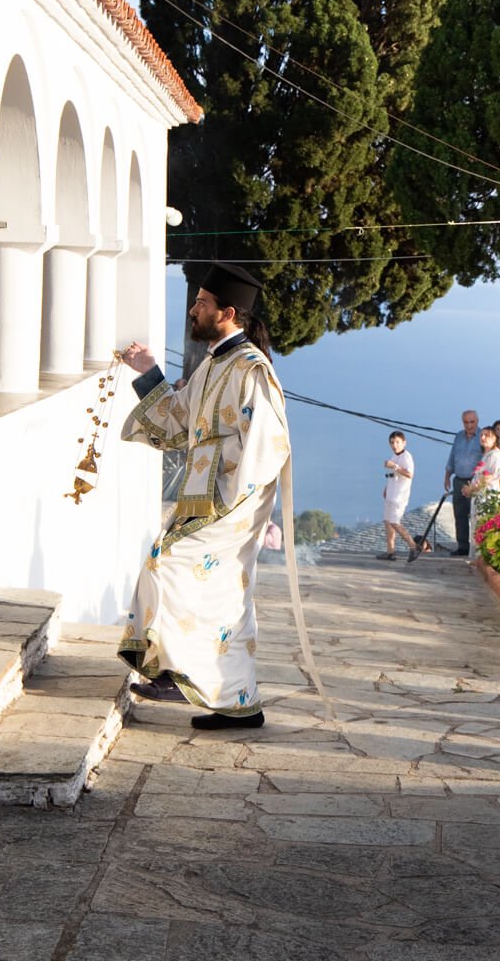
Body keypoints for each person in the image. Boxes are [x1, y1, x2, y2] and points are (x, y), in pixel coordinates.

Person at [117, 262, 290, 731]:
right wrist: (149, 372)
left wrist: (234, 497)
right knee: (221, 600)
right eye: (195, 301)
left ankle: (177, 671)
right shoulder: (214, 363)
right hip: (201, 496)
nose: (193, 310)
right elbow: (176, 419)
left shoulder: (252, 369)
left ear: (227, 312)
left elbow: (268, 443)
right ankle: (239, 704)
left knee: (167, 566)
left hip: (230, 502)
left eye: (202, 303)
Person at [443, 409, 482, 557]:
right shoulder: (458, 437)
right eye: (466, 422)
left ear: (477, 421)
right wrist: (447, 476)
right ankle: (463, 546)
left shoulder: (482, 437)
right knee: (459, 515)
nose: (469, 425)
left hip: (474, 482)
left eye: (472, 422)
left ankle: (477, 548)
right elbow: (452, 456)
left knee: (476, 515)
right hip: (458, 481)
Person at [376, 431, 418, 563]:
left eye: (397, 442)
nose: (395, 445)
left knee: (394, 522)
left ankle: (413, 546)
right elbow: (393, 475)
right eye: (392, 442)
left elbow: (409, 474)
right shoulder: (394, 455)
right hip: (391, 494)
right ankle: (390, 551)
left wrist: (394, 466)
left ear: (404, 443)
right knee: (388, 522)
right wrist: (386, 488)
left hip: (399, 496)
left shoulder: (406, 457)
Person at [463, 425, 500, 551]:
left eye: (487, 435)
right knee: (477, 526)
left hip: (487, 497)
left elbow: (488, 477)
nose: (483, 437)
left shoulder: (495, 455)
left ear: (494, 439)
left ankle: (482, 556)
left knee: (484, 525)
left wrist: (471, 489)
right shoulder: (486, 455)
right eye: (481, 435)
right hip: (479, 495)